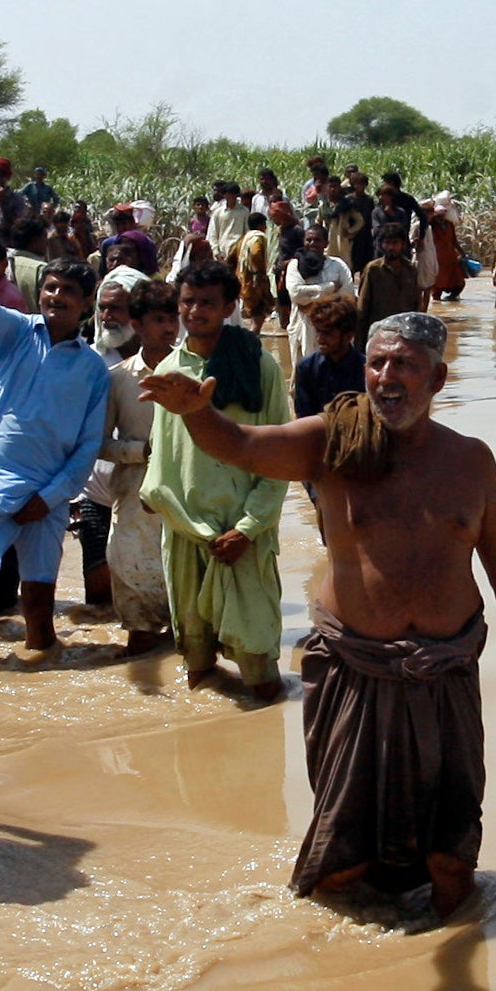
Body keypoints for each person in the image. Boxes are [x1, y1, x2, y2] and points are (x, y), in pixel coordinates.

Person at [141, 310, 496, 919]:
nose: (387, 378)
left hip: (444, 677)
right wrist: (195, 413)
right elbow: (241, 447)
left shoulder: (471, 462)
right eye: (377, 363)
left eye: (406, 366)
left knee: (451, 862)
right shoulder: (331, 442)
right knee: (341, 869)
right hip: (354, 675)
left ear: (439, 380)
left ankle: (448, 943)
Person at [0, 213, 110, 664]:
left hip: (42, 497)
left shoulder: (93, 370)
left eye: (68, 291)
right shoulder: (12, 331)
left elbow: (87, 449)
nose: (56, 297)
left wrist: (49, 498)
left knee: (38, 603)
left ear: (86, 303)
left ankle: (41, 680)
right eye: (50, 288)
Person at [142, 262, 291, 699]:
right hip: (187, 530)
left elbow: (278, 454)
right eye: (187, 301)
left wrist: (248, 528)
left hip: (241, 531)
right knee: (196, 656)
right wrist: (153, 493)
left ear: (229, 307)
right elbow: (163, 449)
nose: (194, 310)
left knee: (258, 659)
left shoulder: (259, 366)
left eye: (207, 302)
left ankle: (266, 750)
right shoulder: (169, 370)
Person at [98, 279, 181, 656]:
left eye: (173, 319)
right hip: (133, 497)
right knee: (137, 612)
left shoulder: (192, 373)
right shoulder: (117, 379)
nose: (169, 327)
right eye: (159, 319)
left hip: (183, 497)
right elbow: (100, 444)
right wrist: (140, 451)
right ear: (138, 324)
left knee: (187, 611)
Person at [283, 225, 354, 361]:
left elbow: (347, 295)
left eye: (317, 240)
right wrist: (330, 287)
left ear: (326, 243)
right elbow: (297, 294)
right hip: (304, 326)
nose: (312, 244)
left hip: (334, 325)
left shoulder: (338, 265)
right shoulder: (295, 265)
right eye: (308, 240)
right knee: (305, 370)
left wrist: (312, 302)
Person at [293, 293, 366, 418]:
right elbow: (303, 417)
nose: (319, 339)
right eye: (318, 331)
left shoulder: (366, 370)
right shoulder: (306, 368)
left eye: (327, 333)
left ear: (348, 336)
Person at [357, 223, 425, 329]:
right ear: (381, 245)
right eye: (387, 243)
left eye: (395, 243)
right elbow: (362, 306)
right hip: (380, 330)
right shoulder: (373, 270)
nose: (391, 247)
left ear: (403, 244)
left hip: (404, 330)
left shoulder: (411, 270)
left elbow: (418, 304)